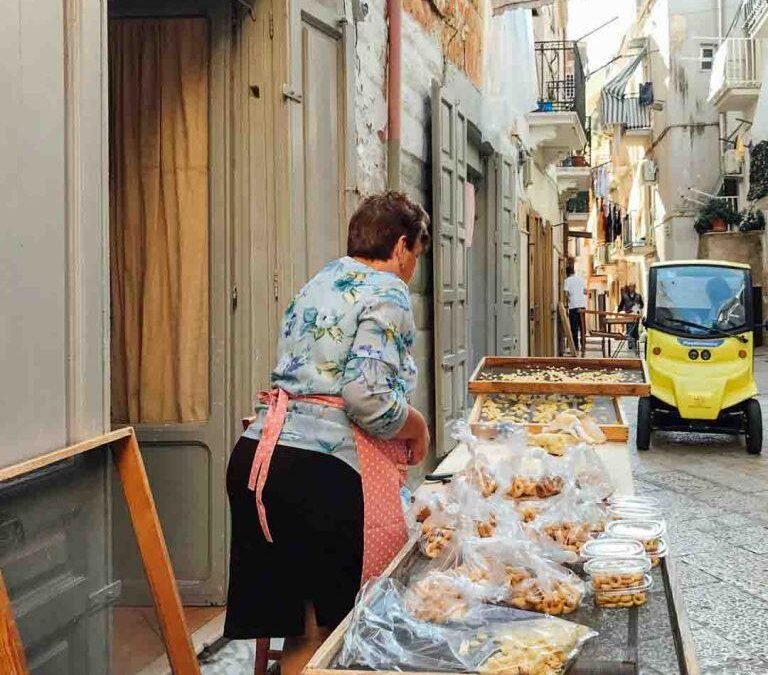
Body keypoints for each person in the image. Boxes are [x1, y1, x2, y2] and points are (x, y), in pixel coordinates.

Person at [224, 192, 431, 675]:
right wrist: (416, 425)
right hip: (319, 477)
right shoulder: (388, 289)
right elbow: (368, 400)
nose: (412, 269)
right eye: (416, 256)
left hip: (260, 463)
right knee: (342, 639)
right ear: (402, 247)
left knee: (305, 634)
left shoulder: (321, 280)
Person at [563, 265, 587, 354]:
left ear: (567, 273)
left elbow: (565, 294)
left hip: (573, 306)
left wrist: (567, 302)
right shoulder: (581, 279)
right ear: (574, 272)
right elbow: (585, 291)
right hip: (582, 306)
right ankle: (583, 345)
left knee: (574, 328)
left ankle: (575, 347)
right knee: (582, 327)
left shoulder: (567, 281)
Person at [618, 283, 644, 349]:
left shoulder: (638, 296)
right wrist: (619, 311)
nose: (631, 288)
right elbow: (621, 305)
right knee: (629, 329)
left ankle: (635, 342)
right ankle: (630, 342)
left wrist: (638, 307)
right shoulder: (625, 296)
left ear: (635, 288)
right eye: (630, 287)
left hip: (635, 315)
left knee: (635, 329)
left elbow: (642, 305)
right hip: (628, 315)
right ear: (629, 288)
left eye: (633, 287)